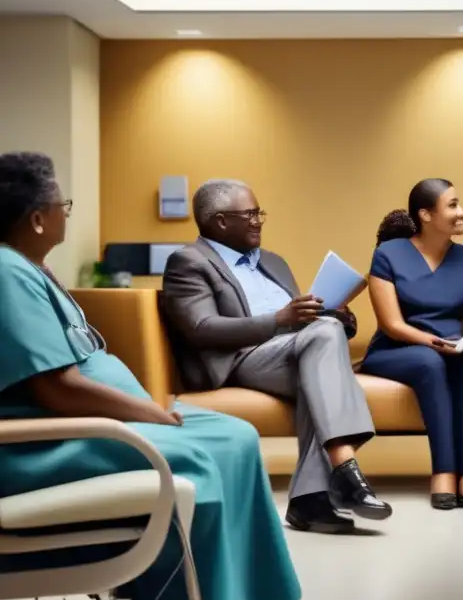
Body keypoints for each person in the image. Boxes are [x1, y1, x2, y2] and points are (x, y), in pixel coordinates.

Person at [0, 152, 312, 600]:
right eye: (64, 203)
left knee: (236, 437)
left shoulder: (28, 267)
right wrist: (144, 411)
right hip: (45, 443)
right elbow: (55, 389)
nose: (68, 211)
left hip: (99, 420)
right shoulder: (6, 273)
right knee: (196, 463)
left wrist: (140, 409)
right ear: (38, 218)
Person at [161, 179, 391, 536]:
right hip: (239, 360)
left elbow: (303, 325)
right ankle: (344, 468)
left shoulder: (273, 262)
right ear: (220, 221)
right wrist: (280, 319)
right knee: (325, 367)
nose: (258, 221)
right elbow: (201, 328)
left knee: (320, 362)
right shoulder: (189, 261)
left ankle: (310, 504)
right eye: (250, 214)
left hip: (296, 352)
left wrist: (331, 317)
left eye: (259, 213)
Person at [362, 180, 463, 510]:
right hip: (397, 349)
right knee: (430, 363)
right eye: (452, 205)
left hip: (452, 350)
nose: (462, 213)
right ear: (426, 215)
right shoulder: (388, 254)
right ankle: (444, 472)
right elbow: (392, 325)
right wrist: (433, 342)